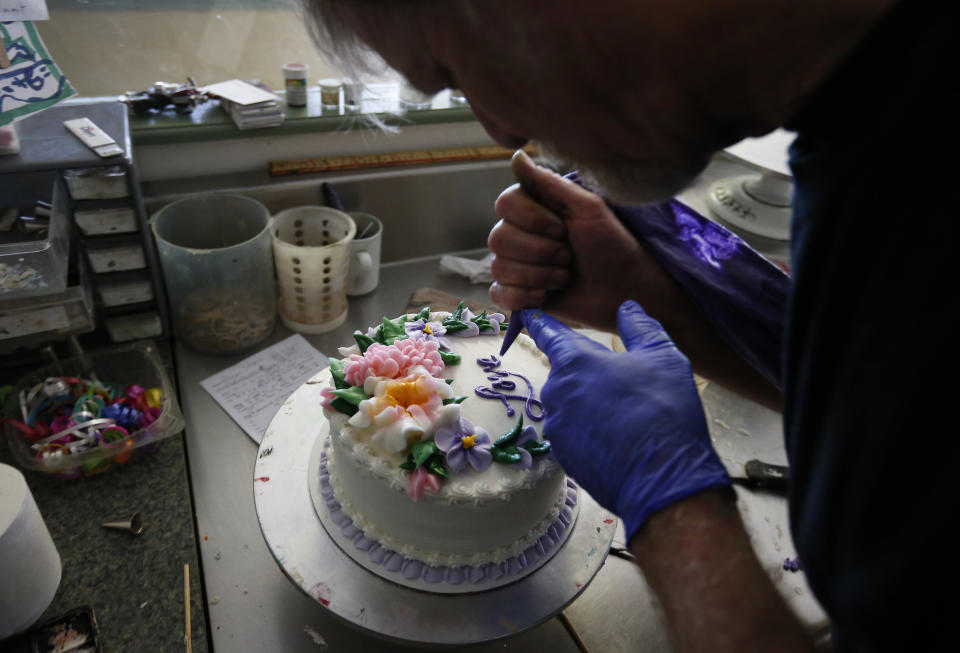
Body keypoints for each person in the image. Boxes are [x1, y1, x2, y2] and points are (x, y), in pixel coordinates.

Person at [300, 1, 957, 650]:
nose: (499, 129)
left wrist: (669, 497)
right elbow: (876, 387)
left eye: (455, 67)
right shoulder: (880, 116)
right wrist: (642, 293)